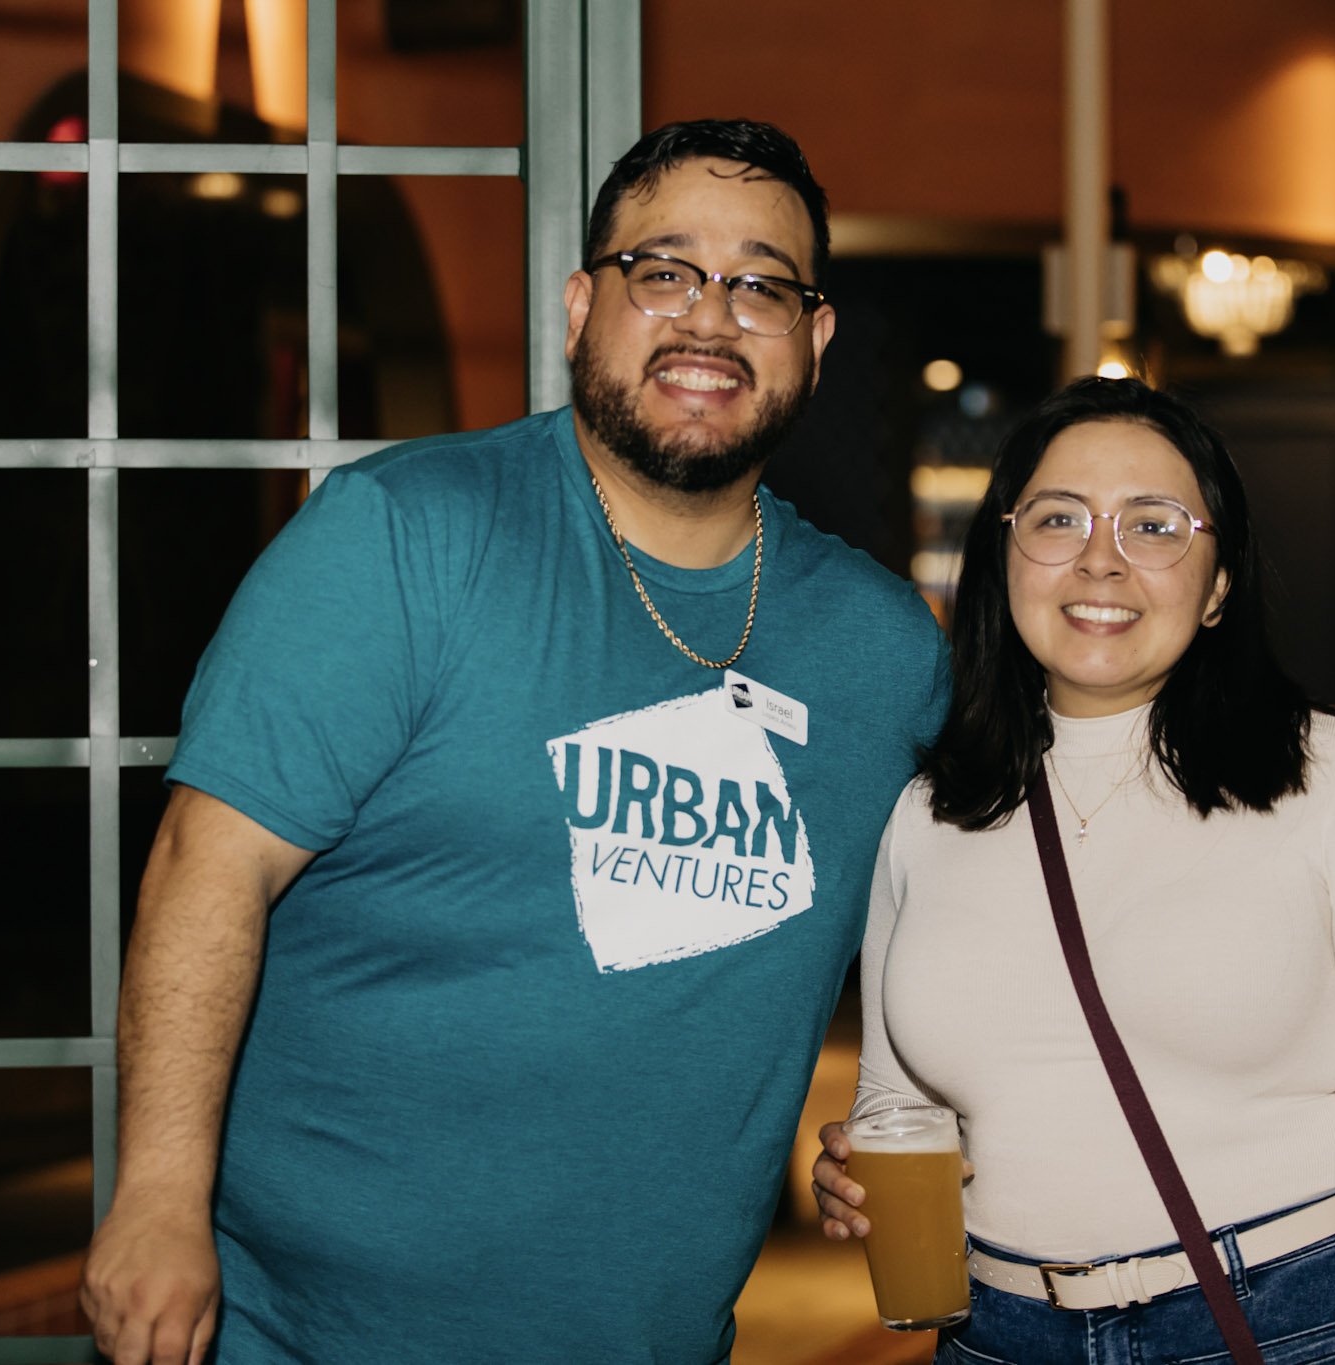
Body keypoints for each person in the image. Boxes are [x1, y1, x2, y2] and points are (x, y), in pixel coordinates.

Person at [78, 119, 949, 1365]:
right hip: (293, 1333)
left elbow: (969, 912)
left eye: (760, 283)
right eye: (664, 271)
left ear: (810, 341)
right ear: (580, 308)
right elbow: (206, 867)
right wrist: (158, 1199)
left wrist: (901, 1103)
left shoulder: (883, 651)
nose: (710, 317)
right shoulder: (401, 538)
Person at [813, 378, 1335, 1364]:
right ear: (1002, 555)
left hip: (1286, 1319)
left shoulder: (1334, 779)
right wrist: (854, 1172)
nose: (1101, 557)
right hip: (997, 1334)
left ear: (1217, 582)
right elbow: (899, 1105)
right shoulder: (931, 812)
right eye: (1057, 519)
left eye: (1154, 523)